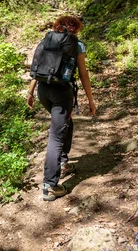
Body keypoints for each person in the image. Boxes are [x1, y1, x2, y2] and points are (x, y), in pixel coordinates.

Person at [26, 15, 96, 201]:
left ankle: (63, 162)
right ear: (76, 30)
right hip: (62, 93)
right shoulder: (77, 45)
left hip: (43, 90)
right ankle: (50, 185)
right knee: (56, 136)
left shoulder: (47, 41)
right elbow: (83, 74)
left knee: (66, 123)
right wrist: (91, 99)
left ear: (57, 26)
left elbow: (38, 68)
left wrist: (31, 93)